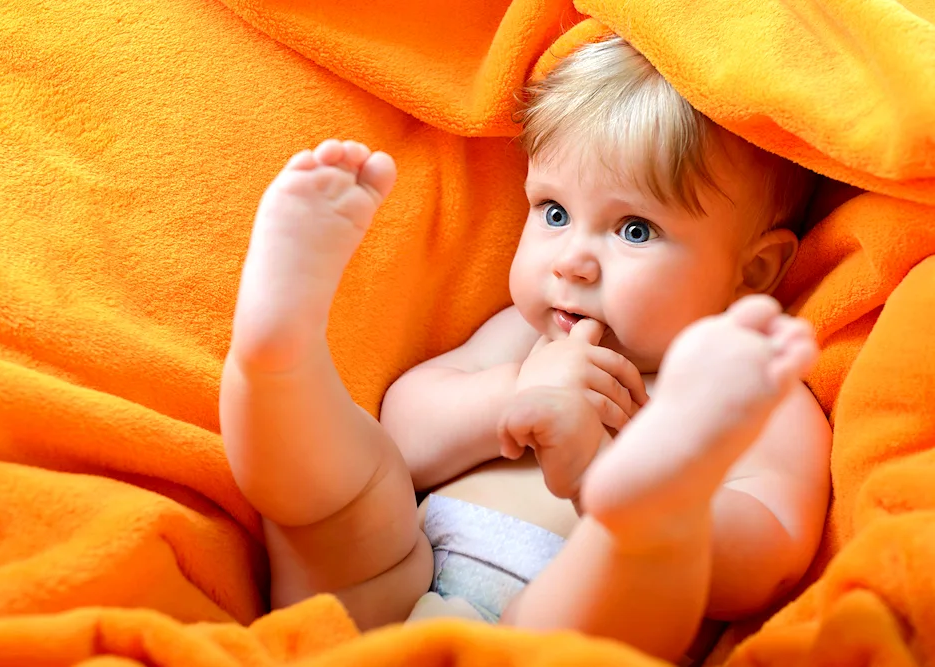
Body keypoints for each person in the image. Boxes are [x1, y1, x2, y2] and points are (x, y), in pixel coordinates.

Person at [219, 37, 832, 662]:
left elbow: (770, 559)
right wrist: (510, 394)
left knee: (623, 577)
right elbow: (403, 436)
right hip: (391, 584)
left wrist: (608, 476)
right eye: (555, 212)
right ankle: (280, 362)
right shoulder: (525, 334)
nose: (571, 262)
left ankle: (643, 522)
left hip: (548, 633)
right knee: (348, 499)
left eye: (635, 230)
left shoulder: (754, 389)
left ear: (754, 272)